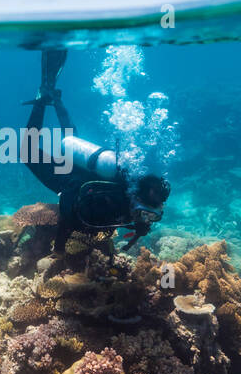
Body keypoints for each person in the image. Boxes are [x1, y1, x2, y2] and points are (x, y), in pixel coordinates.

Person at [22, 49, 170, 251]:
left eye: (152, 216)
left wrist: (140, 225)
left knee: (70, 140)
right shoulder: (109, 202)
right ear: (137, 200)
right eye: (146, 214)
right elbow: (68, 204)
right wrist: (60, 246)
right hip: (68, 180)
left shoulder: (132, 193)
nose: (147, 219)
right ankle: (43, 99)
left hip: (83, 172)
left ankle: (55, 99)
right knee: (26, 151)